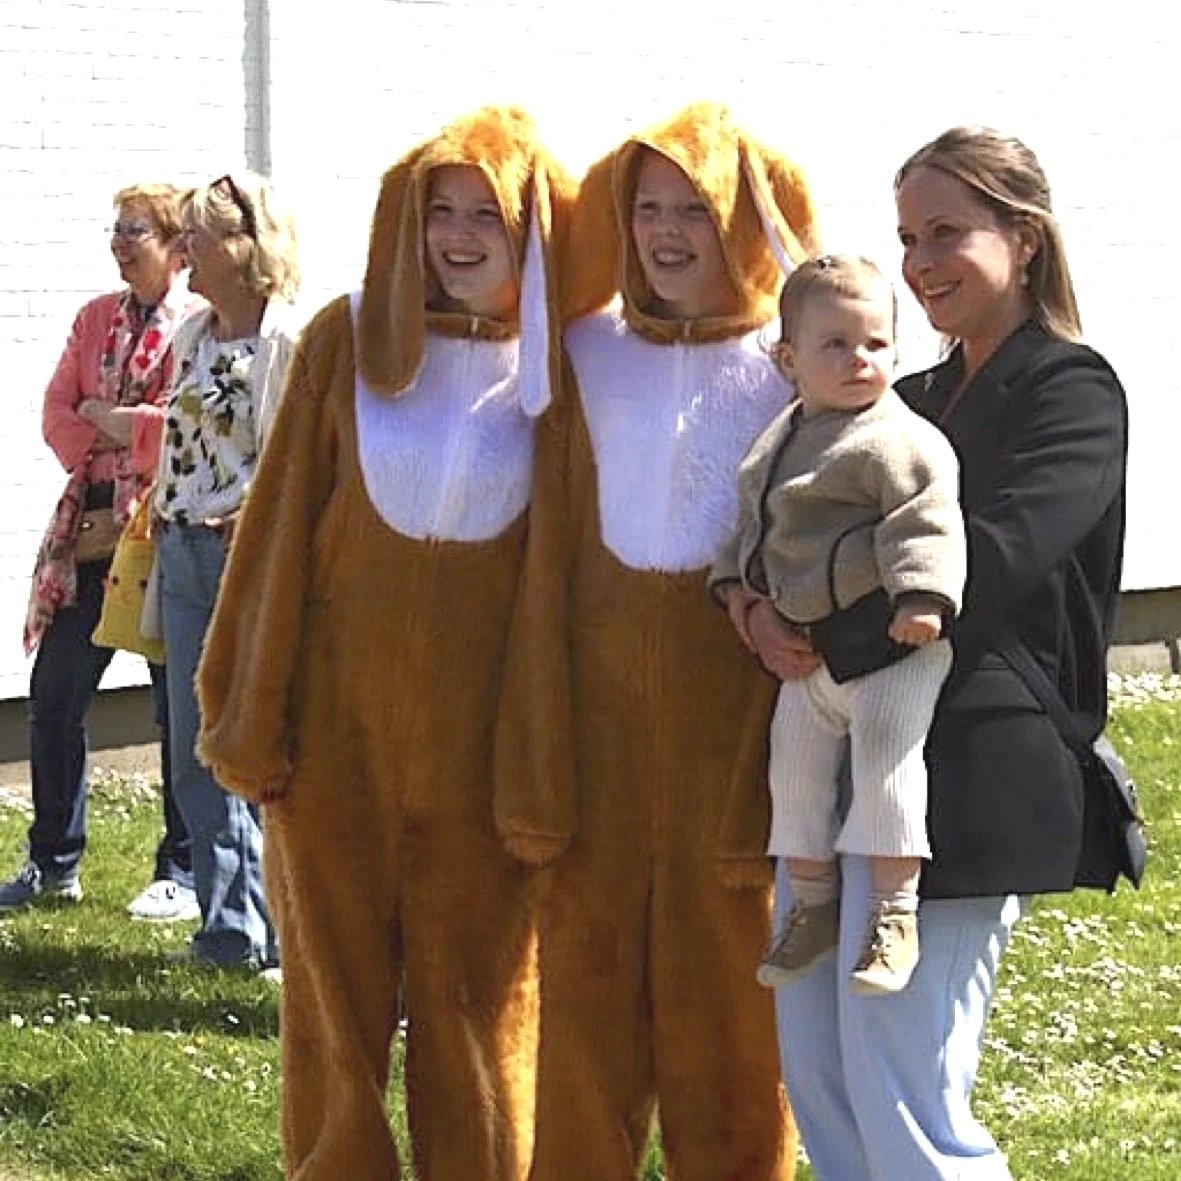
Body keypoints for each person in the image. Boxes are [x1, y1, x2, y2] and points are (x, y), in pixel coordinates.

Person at [194, 108, 573, 1179]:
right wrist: (247, 711)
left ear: (530, 229)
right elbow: (271, 542)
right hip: (333, 758)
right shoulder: (343, 340)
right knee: (332, 1019)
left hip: (478, 772)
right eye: (435, 211)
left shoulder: (558, 372)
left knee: (479, 1016)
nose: (457, 235)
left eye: (484, 215)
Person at [763, 126, 1128, 1180]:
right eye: (905, 237)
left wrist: (825, 632)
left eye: (946, 233)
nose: (917, 263)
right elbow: (794, 523)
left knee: (905, 1087)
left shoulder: (1071, 390)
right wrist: (754, 606)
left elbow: (999, 554)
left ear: (1021, 237)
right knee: (822, 1074)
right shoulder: (900, 399)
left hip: (970, 771)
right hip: (840, 761)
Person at [493, 101, 816, 1180]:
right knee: (582, 1017)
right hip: (592, 744)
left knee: (730, 1022)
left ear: (740, 217)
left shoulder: (788, 369)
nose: (669, 231)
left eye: (695, 206)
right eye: (647, 209)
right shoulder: (583, 352)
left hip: (734, 741)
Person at [710, 254, 965, 996]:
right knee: (791, 772)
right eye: (836, 344)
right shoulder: (780, 437)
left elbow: (927, 520)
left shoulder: (897, 439)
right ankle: (812, 906)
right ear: (788, 360)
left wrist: (922, 597)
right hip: (809, 652)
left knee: (886, 762)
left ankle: (893, 915)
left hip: (892, 647)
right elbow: (751, 525)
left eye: (876, 343)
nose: (860, 360)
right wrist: (735, 589)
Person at [0, 183, 200, 923]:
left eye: (136, 231)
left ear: (179, 247)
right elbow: (58, 415)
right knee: (53, 701)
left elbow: (184, 434)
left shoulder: (197, 326)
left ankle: (178, 868)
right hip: (83, 539)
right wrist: (120, 428)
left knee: (174, 708)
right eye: (115, 229)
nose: (119, 242)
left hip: (155, 535)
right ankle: (53, 861)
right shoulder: (93, 321)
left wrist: (114, 420)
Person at [153, 171, 300, 971]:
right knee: (192, 747)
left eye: (196, 238)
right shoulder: (191, 334)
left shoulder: (284, 342)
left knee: (254, 742)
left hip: (249, 557)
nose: (184, 253)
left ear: (244, 249)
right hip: (181, 551)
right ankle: (227, 927)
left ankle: (271, 927)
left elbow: (299, 460)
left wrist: (254, 522)